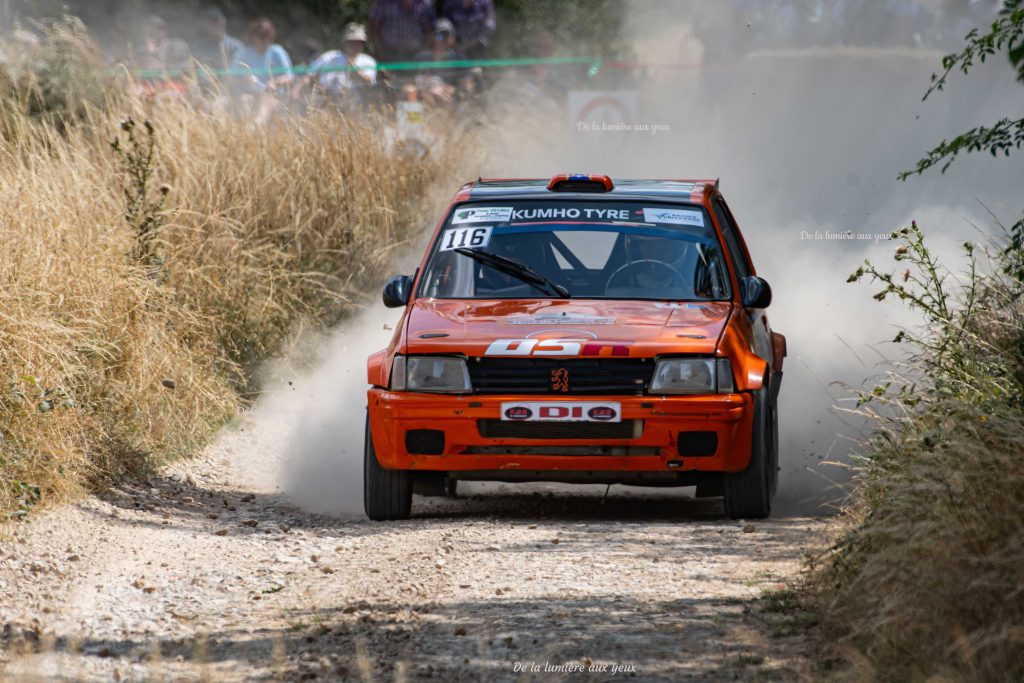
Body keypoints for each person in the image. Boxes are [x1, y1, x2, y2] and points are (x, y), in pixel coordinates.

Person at [297, 23, 377, 104]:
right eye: (351, 42)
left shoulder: (368, 61)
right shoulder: (329, 57)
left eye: (358, 43)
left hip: (354, 101)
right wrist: (296, 90)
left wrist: (354, 68)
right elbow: (309, 74)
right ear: (345, 42)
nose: (355, 46)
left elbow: (369, 83)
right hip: (325, 98)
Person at [414, 18, 478, 105]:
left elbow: (468, 86)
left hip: (450, 100)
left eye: (446, 36)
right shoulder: (421, 58)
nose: (442, 40)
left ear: (452, 38)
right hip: (424, 99)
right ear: (433, 37)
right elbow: (410, 81)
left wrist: (453, 90)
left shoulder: (459, 59)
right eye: (439, 36)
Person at [231, 18, 293, 95]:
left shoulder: (277, 52)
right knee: (244, 101)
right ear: (254, 37)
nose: (266, 40)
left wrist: (275, 82)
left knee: (265, 104)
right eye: (261, 36)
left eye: (268, 36)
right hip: (249, 94)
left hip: (272, 94)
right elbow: (231, 76)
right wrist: (243, 80)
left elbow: (289, 77)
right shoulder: (244, 53)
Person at [368, 0, 435, 63]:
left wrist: (421, 53)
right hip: (388, 54)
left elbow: (430, 32)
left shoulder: (425, 3)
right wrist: (381, 52)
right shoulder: (383, 2)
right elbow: (373, 29)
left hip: (415, 56)